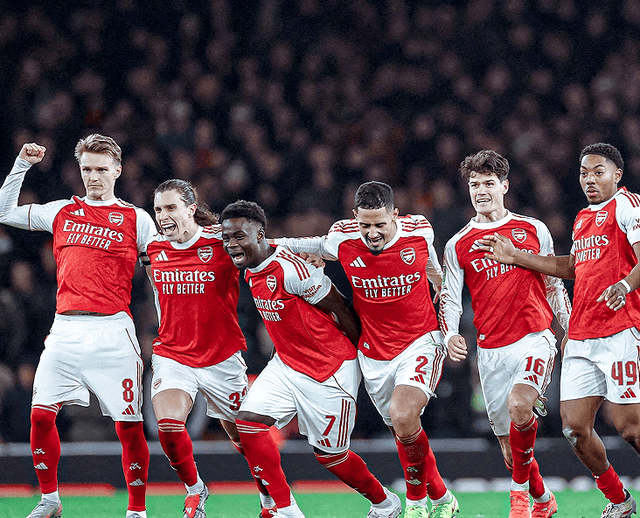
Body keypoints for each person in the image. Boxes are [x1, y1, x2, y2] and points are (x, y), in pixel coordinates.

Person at [274, 181, 458, 518]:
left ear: (395, 215)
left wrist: (443, 300)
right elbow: (308, 244)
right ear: (354, 217)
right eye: (365, 225)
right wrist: (260, 242)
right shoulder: (342, 237)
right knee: (404, 431)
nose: (372, 233)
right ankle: (443, 497)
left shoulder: (419, 231)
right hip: (374, 353)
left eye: (380, 225)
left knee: (404, 415)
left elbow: (435, 267)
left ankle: (416, 504)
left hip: (420, 342)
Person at [0, 136, 155, 518]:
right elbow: (4, 211)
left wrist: (164, 323)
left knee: (129, 427)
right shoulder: (62, 211)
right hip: (65, 329)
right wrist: (21, 164)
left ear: (117, 171)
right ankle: (50, 500)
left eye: (101, 169)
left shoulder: (137, 218)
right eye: (87, 169)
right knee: (40, 416)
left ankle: (137, 510)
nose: (93, 177)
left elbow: (158, 274)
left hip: (114, 331)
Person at [483, 143, 640, 518]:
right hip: (583, 336)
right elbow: (574, 267)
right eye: (584, 173)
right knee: (574, 428)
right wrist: (517, 257)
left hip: (620, 330)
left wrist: (625, 285)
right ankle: (619, 500)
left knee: (629, 428)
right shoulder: (583, 218)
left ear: (616, 175)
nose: (590, 179)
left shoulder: (627, 205)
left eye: (598, 172)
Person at [220, 200, 402, 518]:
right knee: (248, 424)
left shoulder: (292, 269)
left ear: (259, 234)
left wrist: (365, 358)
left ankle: (385, 503)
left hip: (329, 370)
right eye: (227, 238)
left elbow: (340, 307)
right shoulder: (250, 270)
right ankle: (284, 509)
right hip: (287, 364)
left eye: (239, 236)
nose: (232, 244)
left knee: (331, 457)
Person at [438, 150, 571, 518]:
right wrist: (450, 335)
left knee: (520, 404)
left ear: (505, 186)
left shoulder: (534, 229)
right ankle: (543, 499)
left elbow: (554, 284)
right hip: (491, 351)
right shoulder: (458, 243)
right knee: (511, 453)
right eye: (474, 184)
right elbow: (450, 297)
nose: (481, 191)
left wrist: (571, 327)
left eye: (488, 183)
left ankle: (518, 499)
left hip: (535, 338)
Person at [144, 179, 275, 518]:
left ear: (190, 208)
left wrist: (313, 254)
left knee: (245, 439)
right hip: (174, 354)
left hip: (221, 357)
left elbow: (268, 249)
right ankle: (195, 489)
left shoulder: (221, 241)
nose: (163, 216)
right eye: (158, 209)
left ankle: (269, 499)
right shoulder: (152, 248)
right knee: (169, 427)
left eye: (171, 207)